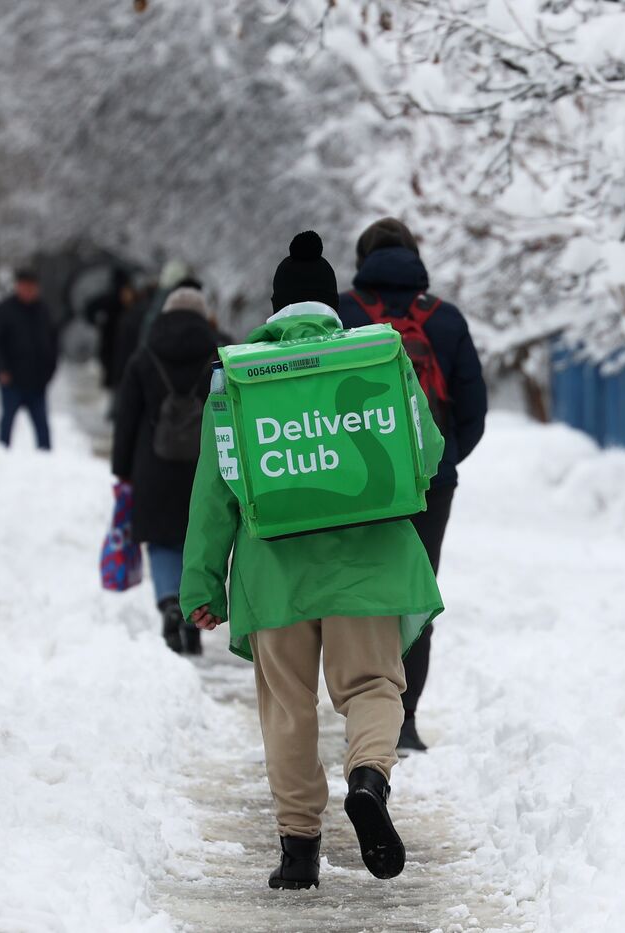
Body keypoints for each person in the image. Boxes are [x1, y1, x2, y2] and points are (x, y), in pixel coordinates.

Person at [181, 231, 443, 890]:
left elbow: (215, 493)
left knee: (288, 708)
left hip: (277, 573)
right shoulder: (378, 358)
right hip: (369, 561)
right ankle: (367, 777)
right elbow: (428, 451)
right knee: (374, 688)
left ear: (274, 309)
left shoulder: (238, 378)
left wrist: (202, 583)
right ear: (333, 305)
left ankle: (298, 848)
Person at [338, 217, 487, 753]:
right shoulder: (445, 321)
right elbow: (473, 411)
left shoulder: (342, 313)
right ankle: (404, 720)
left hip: (357, 482)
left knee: (357, 592)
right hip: (429, 486)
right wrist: (437, 463)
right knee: (415, 597)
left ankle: (363, 709)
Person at [112, 286, 219, 654]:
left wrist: (122, 469)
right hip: (205, 465)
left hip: (153, 467)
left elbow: (126, 418)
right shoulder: (220, 354)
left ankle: (170, 601)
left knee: (162, 542)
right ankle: (195, 615)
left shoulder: (145, 356)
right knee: (199, 541)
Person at [0, 268, 58, 450]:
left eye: (32, 286)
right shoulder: (3, 311)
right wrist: (1, 370)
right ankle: (0, 457)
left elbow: (54, 343)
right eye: (24, 286)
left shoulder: (44, 311)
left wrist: (49, 372)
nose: (28, 290)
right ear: (18, 286)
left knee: (42, 428)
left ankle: (47, 462)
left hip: (37, 381)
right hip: (12, 380)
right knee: (7, 423)